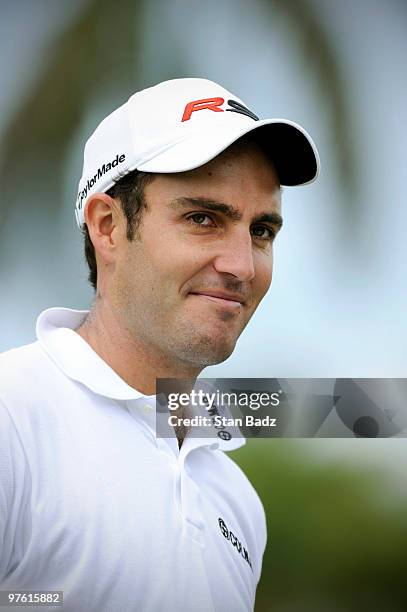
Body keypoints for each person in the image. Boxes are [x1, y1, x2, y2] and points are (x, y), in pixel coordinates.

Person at [0, 78, 319, 611]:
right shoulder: (12, 418)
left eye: (261, 231)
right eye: (202, 219)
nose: (241, 265)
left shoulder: (235, 497)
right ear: (107, 226)